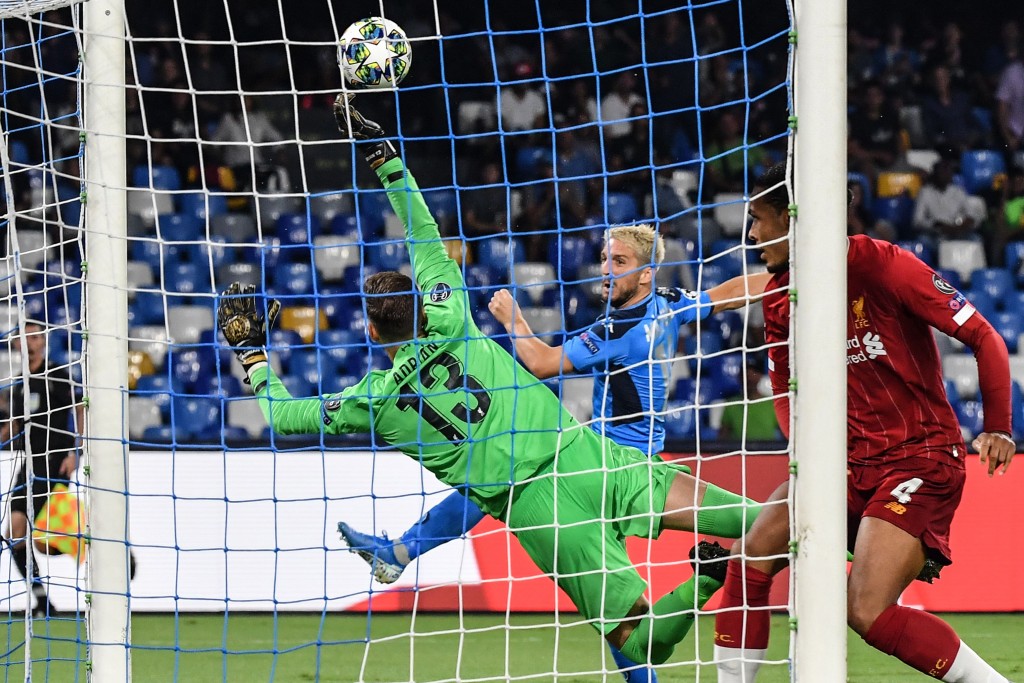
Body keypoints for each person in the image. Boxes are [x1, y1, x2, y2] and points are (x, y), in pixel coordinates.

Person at [219, 95, 764, 680]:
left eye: (616, 260)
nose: (604, 267)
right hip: (590, 456)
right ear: (425, 308)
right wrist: (382, 155)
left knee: (629, 626)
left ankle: (403, 551)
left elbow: (286, 418)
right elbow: (424, 231)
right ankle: (853, 549)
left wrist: (252, 355)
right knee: (763, 520)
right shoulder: (455, 321)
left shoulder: (375, 402)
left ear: (372, 330)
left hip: (547, 497)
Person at [713, 163, 1015, 682]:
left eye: (759, 219)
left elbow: (986, 337)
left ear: (795, 218)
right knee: (749, 560)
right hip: (843, 467)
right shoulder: (781, 298)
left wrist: (999, 426)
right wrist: (801, 451)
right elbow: (785, 389)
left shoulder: (886, 266)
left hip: (918, 458)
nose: (752, 235)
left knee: (866, 611)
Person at [0, 322, 82, 617]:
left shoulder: (55, 374)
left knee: (45, 542)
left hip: (55, 461)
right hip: (29, 464)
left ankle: (95, 542)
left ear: (44, 342)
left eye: (35, 336)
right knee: (14, 534)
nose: (30, 342)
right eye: (25, 337)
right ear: (17, 345)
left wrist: (76, 450)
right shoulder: (19, 382)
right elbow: (13, 428)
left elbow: (79, 407)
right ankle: (42, 600)